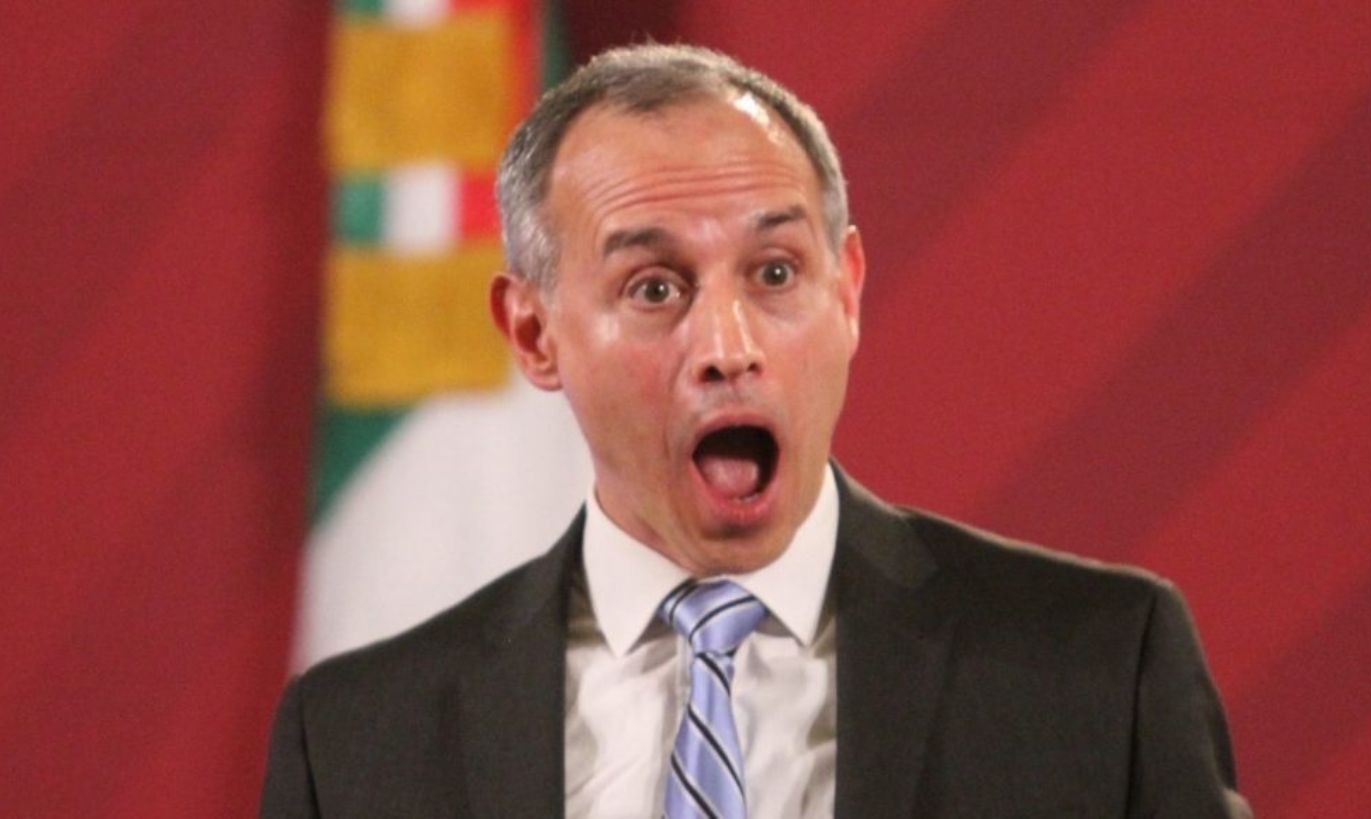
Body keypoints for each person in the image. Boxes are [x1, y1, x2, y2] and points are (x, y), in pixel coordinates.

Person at [261, 44, 1249, 818]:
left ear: (846, 293)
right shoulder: (358, 742)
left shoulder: (1096, 670)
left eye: (775, 273)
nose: (727, 348)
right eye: (654, 288)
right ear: (533, 332)